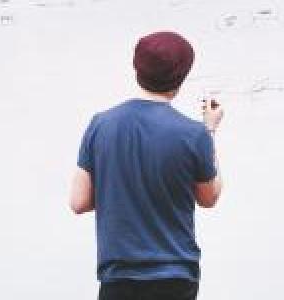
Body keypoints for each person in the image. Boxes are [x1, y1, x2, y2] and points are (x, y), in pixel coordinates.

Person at [69, 31, 223, 300]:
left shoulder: (100, 124)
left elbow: (79, 201)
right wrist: (209, 131)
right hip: (175, 278)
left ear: (136, 68)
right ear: (182, 77)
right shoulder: (193, 134)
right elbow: (208, 198)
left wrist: (120, 185)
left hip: (118, 277)